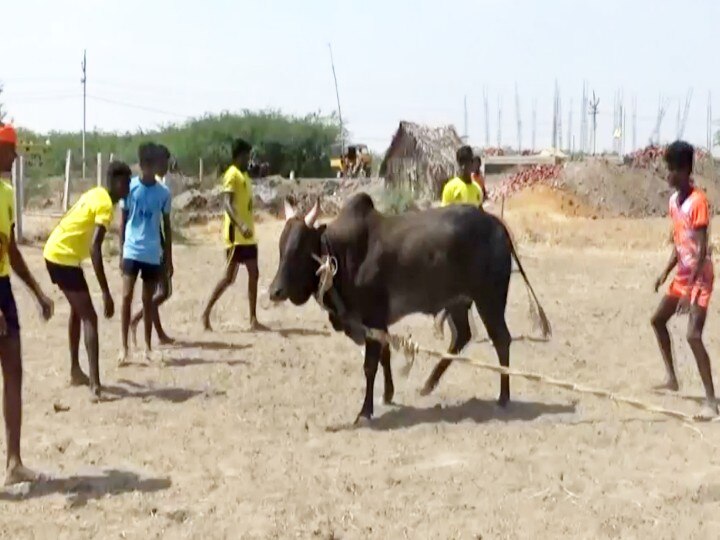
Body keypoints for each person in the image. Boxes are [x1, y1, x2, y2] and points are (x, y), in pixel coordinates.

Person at [44, 161, 131, 397]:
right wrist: (105, 292)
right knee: (90, 317)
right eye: (126, 182)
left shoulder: (96, 193)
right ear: (115, 182)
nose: (128, 188)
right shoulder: (105, 205)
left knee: (78, 310)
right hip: (62, 257)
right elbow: (95, 248)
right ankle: (95, 383)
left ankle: (75, 371)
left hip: (61, 253)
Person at [0, 124, 54, 484]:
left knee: (14, 372)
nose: (16, 156)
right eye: (10, 149)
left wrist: (36, 290)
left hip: (3, 286)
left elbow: (10, 249)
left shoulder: (5, 193)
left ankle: (14, 463)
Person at [652, 140, 717, 419]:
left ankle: (712, 402)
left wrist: (689, 292)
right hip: (682, 274)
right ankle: (671, 378)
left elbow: (702, 250)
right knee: (657, 320)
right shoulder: (672, 203)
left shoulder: (698, 202)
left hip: (700, 277)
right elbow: (679, 243)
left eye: (672, 170)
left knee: (693, 335)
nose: (668, 175)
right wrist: (665, 272)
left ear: (685, 170)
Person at [202, 138, 265, 331]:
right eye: (246, 156)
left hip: (248, 235)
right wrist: (240, 224)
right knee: (229, 278)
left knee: (254, 273)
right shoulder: (231, 175)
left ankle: (253, 319)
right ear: (238, 156)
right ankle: (206, 312)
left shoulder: (244, 175)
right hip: (236, 235)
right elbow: (227, 204)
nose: (249, 159)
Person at [119, 143, 173, 364]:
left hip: (152, 252)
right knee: (125, 297)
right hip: (132, 250)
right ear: (142, 165)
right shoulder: (129, 189)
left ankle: (148, 347)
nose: (147, 169)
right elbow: (122, 221)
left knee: (148, 300)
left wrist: (168, 257)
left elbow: (166, 227)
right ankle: (124, 348)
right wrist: (121, 251)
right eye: (145, 165)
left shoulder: (164, 193)